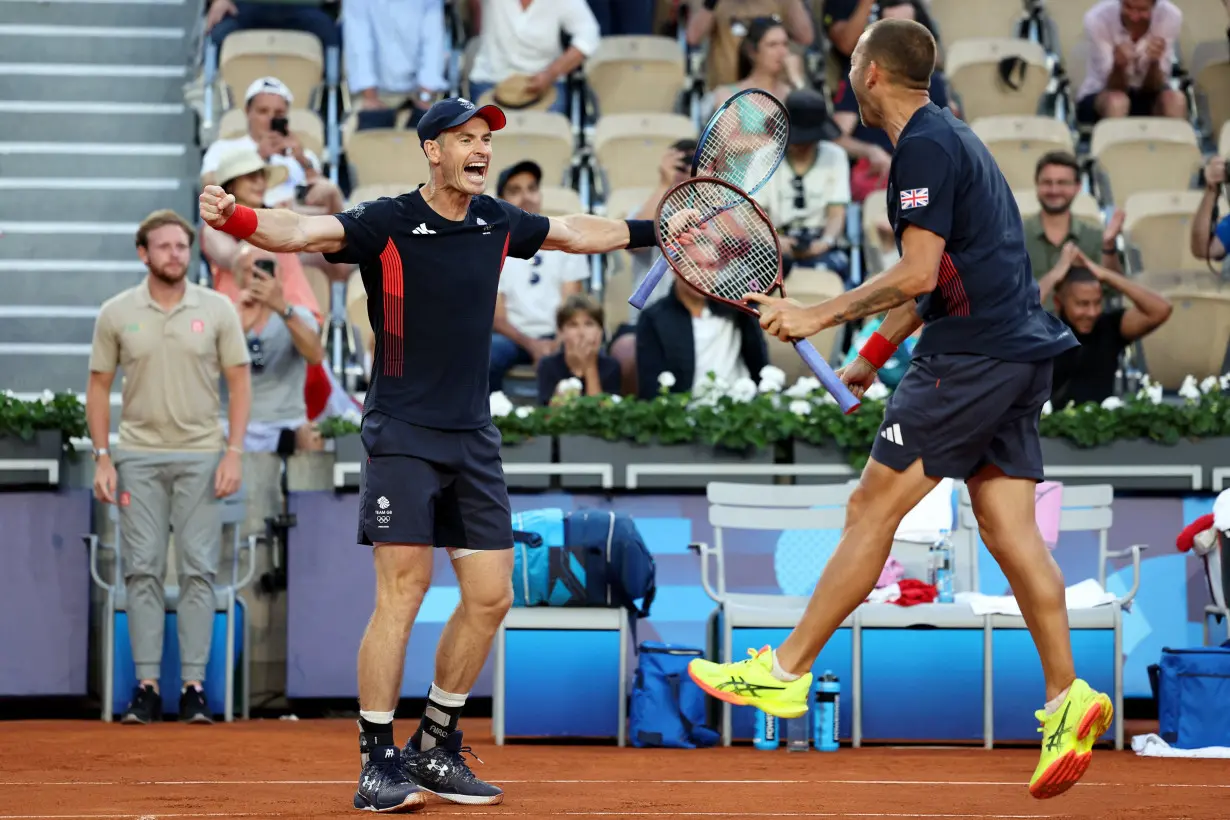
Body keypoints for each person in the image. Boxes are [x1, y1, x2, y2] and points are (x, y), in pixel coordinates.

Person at [198, 96, 664, 813]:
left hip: (473, 437)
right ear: (432, 152)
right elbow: (302, 229)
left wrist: (652, 227)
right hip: (403, 433)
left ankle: (436, 746)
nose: (481, 150)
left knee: (490, 597)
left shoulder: (495, 221)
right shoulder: (386, 222)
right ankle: (376, 761)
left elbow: (574, 231)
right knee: (403, 595)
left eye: (487, 140)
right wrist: (239, 219)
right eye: (466, 140)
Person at [687, 19, 1112, 801]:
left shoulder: (921, 147)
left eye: (851, 63)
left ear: (872, 74)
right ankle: (1066, 698)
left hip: (972, 360)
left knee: (869, 508)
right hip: (1016, 355)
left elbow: (918, 273)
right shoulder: (950, 139)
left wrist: (815, 314)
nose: (847, 73)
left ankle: (784, 671)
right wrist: (870, 357)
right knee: (1009, 531)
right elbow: (947, 273)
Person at [85, 210, 250, 725]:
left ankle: (195, 688)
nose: (174, 254)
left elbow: (240, 383)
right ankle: (147, 687)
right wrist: (102, 457)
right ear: (144, 253)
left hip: (203, 457)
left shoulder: (218, 309)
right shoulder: (116, 312)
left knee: (200, 571)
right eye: (164, 247)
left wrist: (233, 452)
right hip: (136, 457)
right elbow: (97, 387)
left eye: (182, 246)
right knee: (141, 572)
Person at [490, 159, 589, 392]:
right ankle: (489, 421)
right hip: (512, 339)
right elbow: (497, 316)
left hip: (559, 335)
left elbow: (572, 306)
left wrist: (558, 341)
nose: (526, 197)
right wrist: (532, 345)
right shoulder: (491, 245)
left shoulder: (566, 238)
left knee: (588, 347)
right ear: (502, 201)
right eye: (515, 191)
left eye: (532, 188)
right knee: (486, 353)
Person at [1046, 260, 1171, 408]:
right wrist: (1053, 276)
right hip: (1048, 426)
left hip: (1101, 424)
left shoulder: (1109, 326)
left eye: (1097, 302)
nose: (1092, 313)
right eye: (1083, 304)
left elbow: (1162, 309)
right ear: (1058, 302)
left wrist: (1105, 275)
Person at [1075, 0, 1186, 124]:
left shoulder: (1170, 16)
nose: (1134, 16)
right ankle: (1114, 143)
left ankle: (1173, 143)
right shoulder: (1097, 18)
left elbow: (1155, 86)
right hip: (1102, 91)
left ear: (1154, 6)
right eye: (1128, 7)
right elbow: (1113, 86)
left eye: (1142, 10)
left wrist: (1153, 63)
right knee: (1117, 102)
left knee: (1175, 100)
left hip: (1148, 92)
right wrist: (1118, 66)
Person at [536, 292, 622, 404]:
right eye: (573, 325)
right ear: (561, 332)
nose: (581, 333)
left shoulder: (611, 367)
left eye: (589, 324)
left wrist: (590, 367)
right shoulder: (548, 365)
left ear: (600, 332)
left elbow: (601, 415)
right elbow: (548, 418)